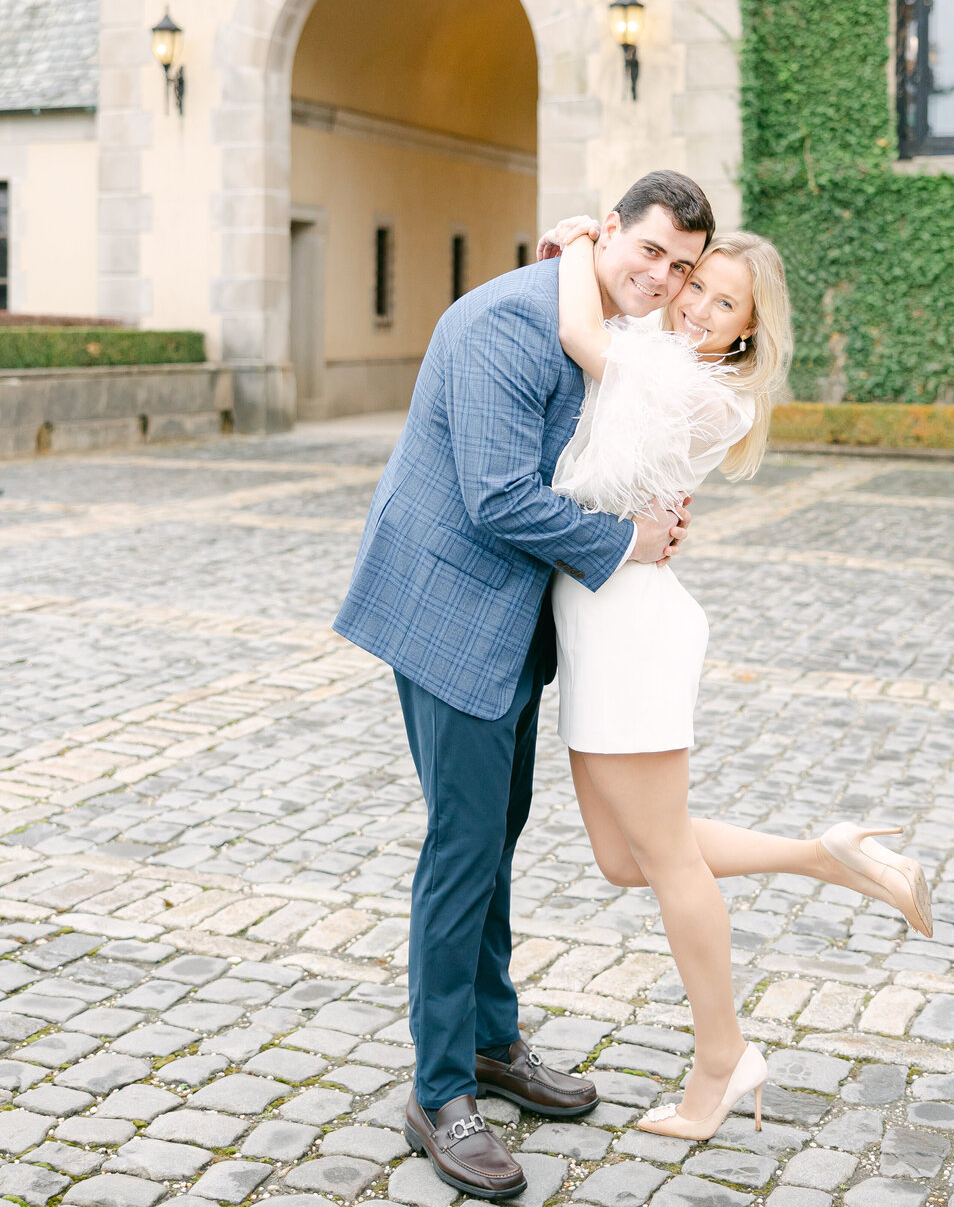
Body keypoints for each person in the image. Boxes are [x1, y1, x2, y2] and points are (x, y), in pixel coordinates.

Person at [333, 171, 716, 1202]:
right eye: (649, 253)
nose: (662, 278)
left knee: (496, 832)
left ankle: (495, 1041)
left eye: (680, 267)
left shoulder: (586, 307)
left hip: (513, 617)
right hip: (449, 607)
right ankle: (440, 1089)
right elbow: (497, 497)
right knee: (463, 846)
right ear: (609, 232)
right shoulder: (507, 325)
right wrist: (628, 541)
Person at [536, 215, 933, 1141]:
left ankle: (723, 1059)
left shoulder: (712, 400)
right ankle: (824, 855)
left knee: (665, 861)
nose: (700, 311)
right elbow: (610, 342)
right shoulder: (654, 352)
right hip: (599, 619)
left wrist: (564, 251)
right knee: (622, 857)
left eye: (725, 305)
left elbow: (578, 334)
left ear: (747, 330)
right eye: (696, 286)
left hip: (632, 626)